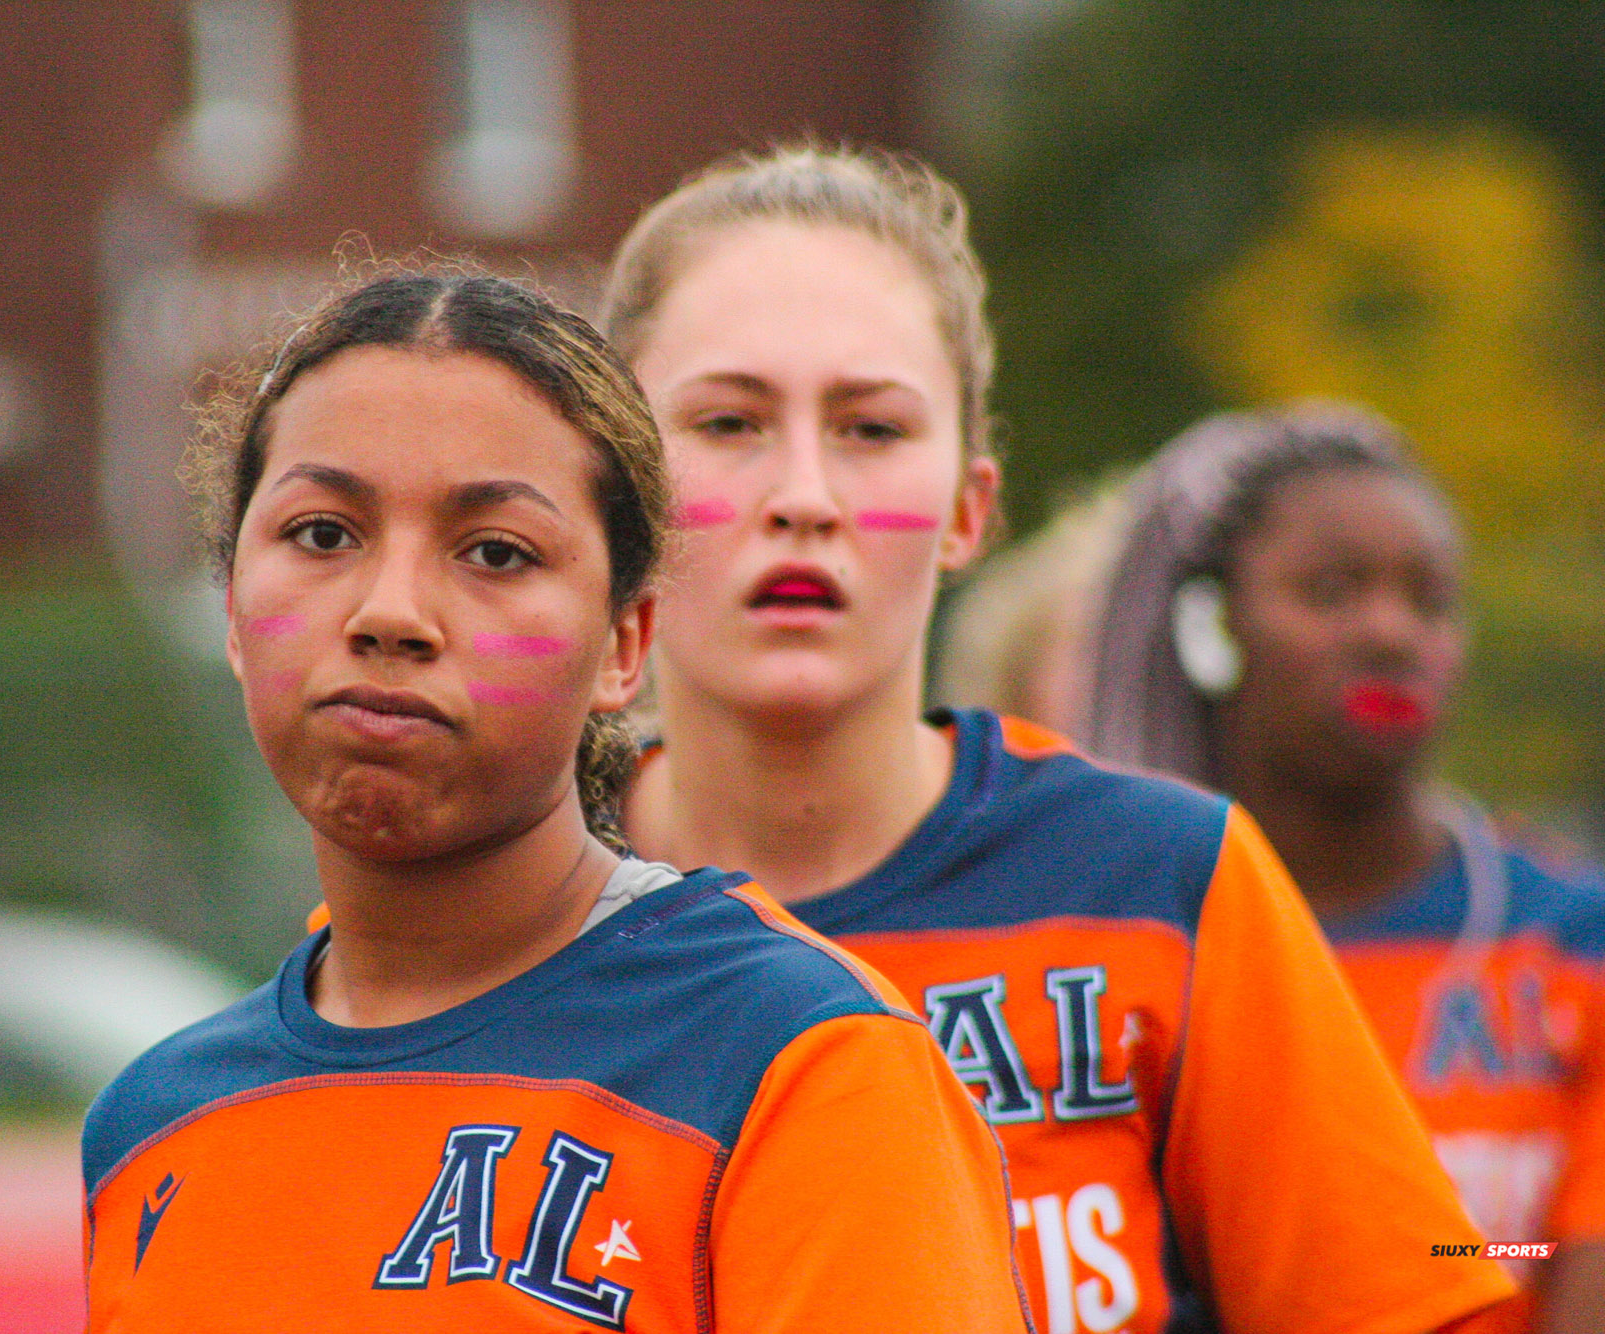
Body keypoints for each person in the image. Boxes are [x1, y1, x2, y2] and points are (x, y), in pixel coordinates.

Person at [602, 144, 1517, 1334]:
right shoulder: (492, 914)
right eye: (728, 420)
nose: (805, 492)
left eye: (870, 427)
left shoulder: (1168, 881)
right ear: (616, 491)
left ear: (968, 507)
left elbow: (1412, 1293)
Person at [79, 269, 1031, 1333]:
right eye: (320, 533)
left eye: (495, 551)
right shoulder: (154, 1125)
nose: (390, 610)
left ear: (624, 643)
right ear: (230, 604)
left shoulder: (798, 1061)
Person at [1077, 403, 1605, 1333]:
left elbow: (1557, 1264)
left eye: (1430, 600)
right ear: (1209, 628)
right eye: (1331, 591)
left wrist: (1460, 1255)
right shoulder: (1114, 946)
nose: (1395, 634)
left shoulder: (1571, 939)